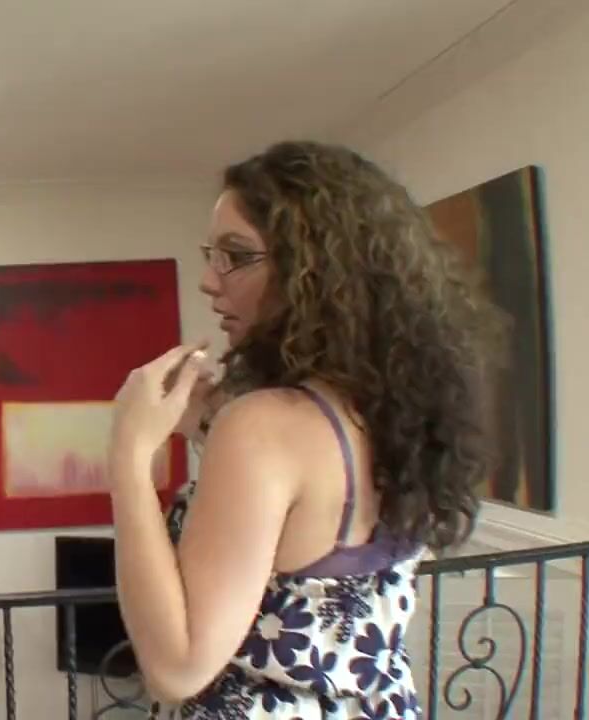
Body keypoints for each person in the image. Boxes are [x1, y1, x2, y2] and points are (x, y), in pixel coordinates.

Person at [107, 140, 503, 718]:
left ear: (314, 270)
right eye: (211, 254)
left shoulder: (263, 426)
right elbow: (311, 530)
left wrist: (128, 452)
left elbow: (178, 667)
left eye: (236, 255)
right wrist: (209, 427)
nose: (209, 281)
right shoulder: (388, 410)